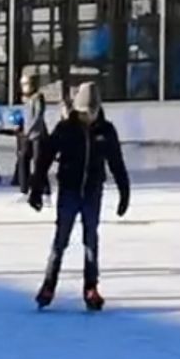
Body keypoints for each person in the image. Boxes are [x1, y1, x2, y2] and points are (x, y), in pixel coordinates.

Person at [28, 83, 131, 311]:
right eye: (84, 112)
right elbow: (45, 158)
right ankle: (48, 285)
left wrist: (125, 191)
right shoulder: (66, 128)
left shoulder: (106, 131)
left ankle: (91, 288)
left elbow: (116, 162)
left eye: (92, 112)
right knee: (60, 241)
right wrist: (36, 187)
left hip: (93, 191)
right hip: (69, 190)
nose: (88, 117)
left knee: (91, 242)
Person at [13, 72, 49, 193]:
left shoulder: (38, 97)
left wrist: (29, 129)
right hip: (27, 135)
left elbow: (37, 115)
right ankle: (24, 187)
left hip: (37, 135)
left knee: (38, 162)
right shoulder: (27, 100)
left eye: (25, 84)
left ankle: (44, 188)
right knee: (23, 158)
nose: (23, 87)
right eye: (22, 84)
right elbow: (26, 116)